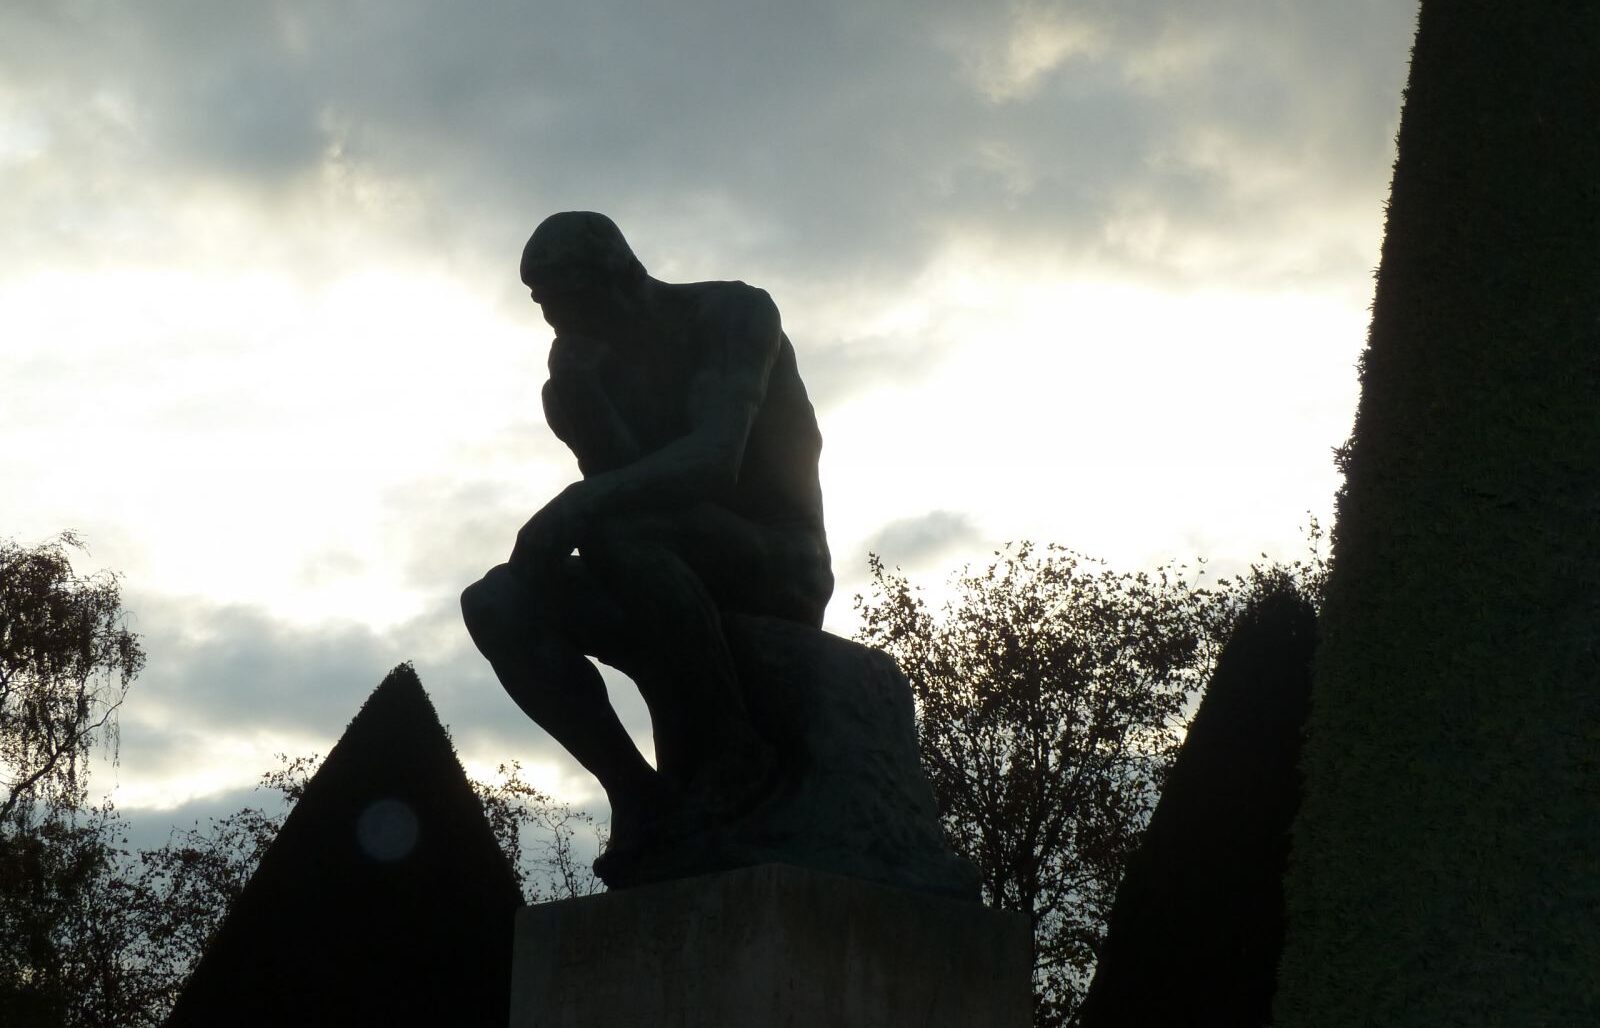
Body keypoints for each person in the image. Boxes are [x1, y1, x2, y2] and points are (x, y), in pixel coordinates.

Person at [461, 212, 833, 857]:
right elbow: (621, 476)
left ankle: (736, 757)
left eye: (559, 294)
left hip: (777, 563)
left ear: (614, 274)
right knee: (496, 602)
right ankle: (638, 796)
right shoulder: (581, 362)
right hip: (656, 558)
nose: (549, 315)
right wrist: (582, 398)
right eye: (537, 300)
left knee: (614, 530)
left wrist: (576, 506)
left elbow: (717, 458)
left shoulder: (732, 314)